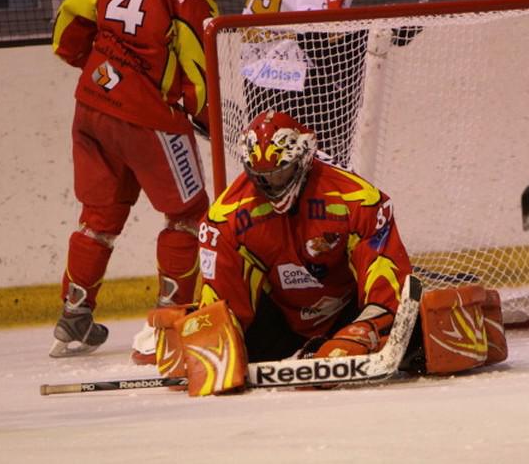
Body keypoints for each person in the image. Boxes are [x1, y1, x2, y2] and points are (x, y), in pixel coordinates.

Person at [148, 110, 507, 396]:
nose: (270, 185)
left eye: (280, 173)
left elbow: (387, 284)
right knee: (204, 337)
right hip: (281, 320)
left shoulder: (359, 199)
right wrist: (212, 347)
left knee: (427, 335)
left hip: (349, 312)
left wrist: (360, 332)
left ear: (303, 159)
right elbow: (223, 302)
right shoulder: (223, 220)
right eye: (260, 176)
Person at [49, 0, 217, 359]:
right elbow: (200, 74)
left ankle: (73, 315)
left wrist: (100, 69)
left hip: (92, 104)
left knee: (98, 217)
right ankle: (170, 320)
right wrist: (207, 119)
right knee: (188, 215)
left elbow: (67, 30)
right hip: (149, 119)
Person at [241, 0, 367, 167]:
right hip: (297, 87)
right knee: (323, 175)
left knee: (271, 172)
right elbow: (318, 35)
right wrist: (375, 36)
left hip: (258, 82)